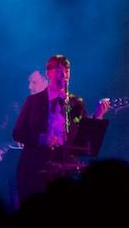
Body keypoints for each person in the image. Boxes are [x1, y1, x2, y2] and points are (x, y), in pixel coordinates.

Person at [12, 54, 109, 205]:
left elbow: (84, 140)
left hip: (66, 167)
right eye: (58, 71)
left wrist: (98, 116)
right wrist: (39, 138)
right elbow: (17, 133)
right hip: (36, 167)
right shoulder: (33, 101)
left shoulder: (77, 102)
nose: (63, 75)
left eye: (67, 71)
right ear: (48, 74)